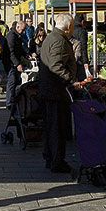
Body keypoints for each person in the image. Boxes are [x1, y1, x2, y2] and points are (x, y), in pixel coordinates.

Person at [38, 13, 76, 174]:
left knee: (50, 126)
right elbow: (55, 66)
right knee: (57, 128)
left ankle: (50, 157)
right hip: (55, 91)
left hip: (48, 89)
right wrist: (70, 79)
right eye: (73, 26)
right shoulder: (59, 41)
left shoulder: (52, 37)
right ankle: (56, 161)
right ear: (68, 27)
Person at [4, 20, 28, 110]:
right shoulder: (11, 36)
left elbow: (19, 48)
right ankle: (9, 102)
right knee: (12, 81)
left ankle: (13, 100)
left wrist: (26, 54)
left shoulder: (17, 35)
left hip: (14, 62)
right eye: (22, 30)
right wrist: (17, 64)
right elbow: (11, 52)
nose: (23, 32)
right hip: (11, 63)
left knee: (15, 82)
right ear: (17, 27)